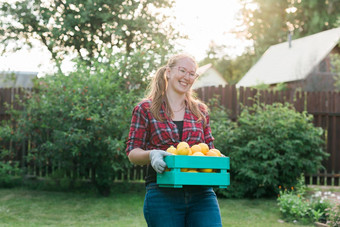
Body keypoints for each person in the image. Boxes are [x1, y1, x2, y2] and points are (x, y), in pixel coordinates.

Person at [126, 53, 222, 227]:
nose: (187, 77)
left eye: (192, 74)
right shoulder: (145, 109)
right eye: (182, 70)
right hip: (162, 194)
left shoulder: (200, 111)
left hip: (201, 194)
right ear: (168, 72)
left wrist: (218, 161)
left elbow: (210, 150)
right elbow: (133, 152)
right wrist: (152, 154)